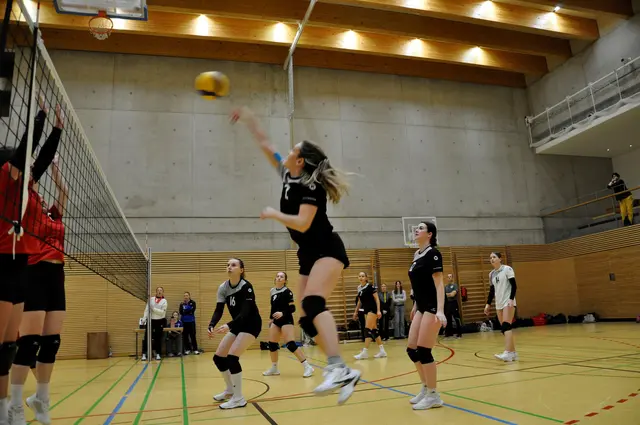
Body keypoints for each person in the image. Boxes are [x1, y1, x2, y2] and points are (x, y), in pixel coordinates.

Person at [230, 106, 360, 404]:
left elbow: (302, 222)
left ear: (300, 160)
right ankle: (343, 371)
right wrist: (250, 118)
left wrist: (273, 214)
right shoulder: (287, 174)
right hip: (307, 253)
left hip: (327, 248)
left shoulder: (311, 187)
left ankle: (337, 367)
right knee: (305, 319)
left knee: (313, 302)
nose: (287, 152)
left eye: (293, 150)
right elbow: (267, 145)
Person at [0, 97, 63, 425]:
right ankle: (9, 406)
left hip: (37, 269)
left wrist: (58, 129)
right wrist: (40, 117)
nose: (31, 173)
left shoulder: (28, 189)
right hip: (18, 266)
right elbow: (28, 154)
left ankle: (29, 402)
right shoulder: (9, 184)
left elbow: (42, 159)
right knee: (16, 344)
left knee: (33, 343)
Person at [208, 258, 262, 410]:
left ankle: (239, 398)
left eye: (233, 265)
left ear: (241, 270)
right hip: (238, 325)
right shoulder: (223, 287)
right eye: (228, 265)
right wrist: (212, 324)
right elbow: (219, 309)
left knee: (232, 357)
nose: (229, 267)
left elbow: (245, 312)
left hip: (251, 324)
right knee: (219, 357)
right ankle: (230, 390)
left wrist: (229, 325)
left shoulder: (246, 287)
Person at [406, 221, 446, 410]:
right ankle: (425, 387)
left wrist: (440, 310)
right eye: (417, 227)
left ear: (430, 234)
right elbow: (418, 284)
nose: (417, 229)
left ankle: (433, 395)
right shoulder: (417, 255)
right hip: (421, 307)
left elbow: (439, 283)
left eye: (421, 228)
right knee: (412, 350)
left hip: (432, 306)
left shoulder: (434, 254)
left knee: (424, 350)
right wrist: (415, 304)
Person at [263, 272, 314, 378]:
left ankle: (307, 367)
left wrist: (282, 313)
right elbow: (273, 307)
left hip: (286, 319)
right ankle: (274, 368)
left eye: (281, 277)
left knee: (290, 344)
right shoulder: (272, 291)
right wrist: (271, 318)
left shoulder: (287, 292)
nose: (279, 278)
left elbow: (292, 308)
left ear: (285, 280)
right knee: (272, 344)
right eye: (277, 276)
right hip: (276, 320)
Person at [484, 252, 518, 362]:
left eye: (494, 257)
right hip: (498, 304)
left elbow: (514, 286)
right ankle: (513, 353)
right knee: (504, 329)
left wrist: (511, 299)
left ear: (500, 259)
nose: (492, 259)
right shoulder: (491, 274)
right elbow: (492, 291)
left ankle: (507, 352)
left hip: (508, 302)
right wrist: (488, 304)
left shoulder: (507, 269)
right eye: (490, 258)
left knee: (506, 326)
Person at [353, 272, 386, 360]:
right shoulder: (359, 288)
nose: (361, 277)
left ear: (366, 278)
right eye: (359, 276)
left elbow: (377, 299)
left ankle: (365, 352)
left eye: (363, 276)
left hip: (373, 309)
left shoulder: (370, 287)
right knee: (374, 330)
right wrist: (355, 312)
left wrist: (378, 310)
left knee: (367, 329)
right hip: (366, 310)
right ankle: (382, 351)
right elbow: (360, 301)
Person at [141, 287, 167, 361]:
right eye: (158, 290)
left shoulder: (164, 301)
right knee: (147, 337)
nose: (159, 291)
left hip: (159, 321)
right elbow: (147, 309)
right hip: (150, 321)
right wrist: (144, 318)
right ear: (156, 292)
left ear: (163, 292)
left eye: (161, 290)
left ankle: (158, 354)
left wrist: (153, 309)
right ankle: (144, 354)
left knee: (158, 338)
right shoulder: (151, 299)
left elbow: (162, 312)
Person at [444, 274, 462, 338]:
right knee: (448, 318)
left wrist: (447, 294)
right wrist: (448, 294)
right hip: (447, 304)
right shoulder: (445, 287)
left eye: (450, 277)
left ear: (452, 278)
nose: (449, 278)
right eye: (448, 277)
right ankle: (449, 333)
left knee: (456, 318)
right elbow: (443, 295)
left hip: (454, 303)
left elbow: (452, 294)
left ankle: (459, 333)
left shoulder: (455, 285)